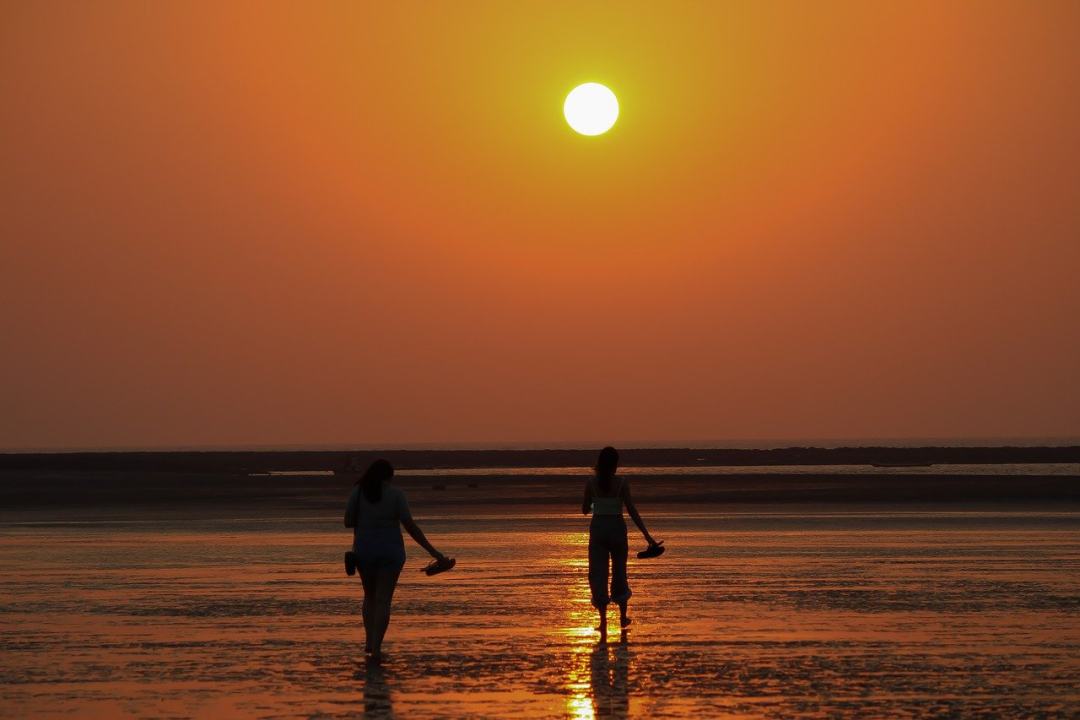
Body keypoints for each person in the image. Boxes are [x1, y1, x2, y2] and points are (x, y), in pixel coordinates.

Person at [344, 458, 450, 662]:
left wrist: (368, 519)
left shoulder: (357, 492)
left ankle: (368, 642)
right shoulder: (396, 495)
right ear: (388, 477)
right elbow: (410, 527)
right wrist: (435, 554)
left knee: (369, 597)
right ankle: (376, 648)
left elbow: (348, 521)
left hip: (364, 551)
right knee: (383, 600)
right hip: (391, 553)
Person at [582, 446, 660, 641]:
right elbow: (632, 510)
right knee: (619, 573)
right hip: (617, 529)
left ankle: (603, 622)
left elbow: (585, 509)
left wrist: (597, 504)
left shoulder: (591, 483)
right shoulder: (622, 483)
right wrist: (647, 536)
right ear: (615, 465)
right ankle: (623, 617)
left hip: (599, 529)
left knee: (598, 574)